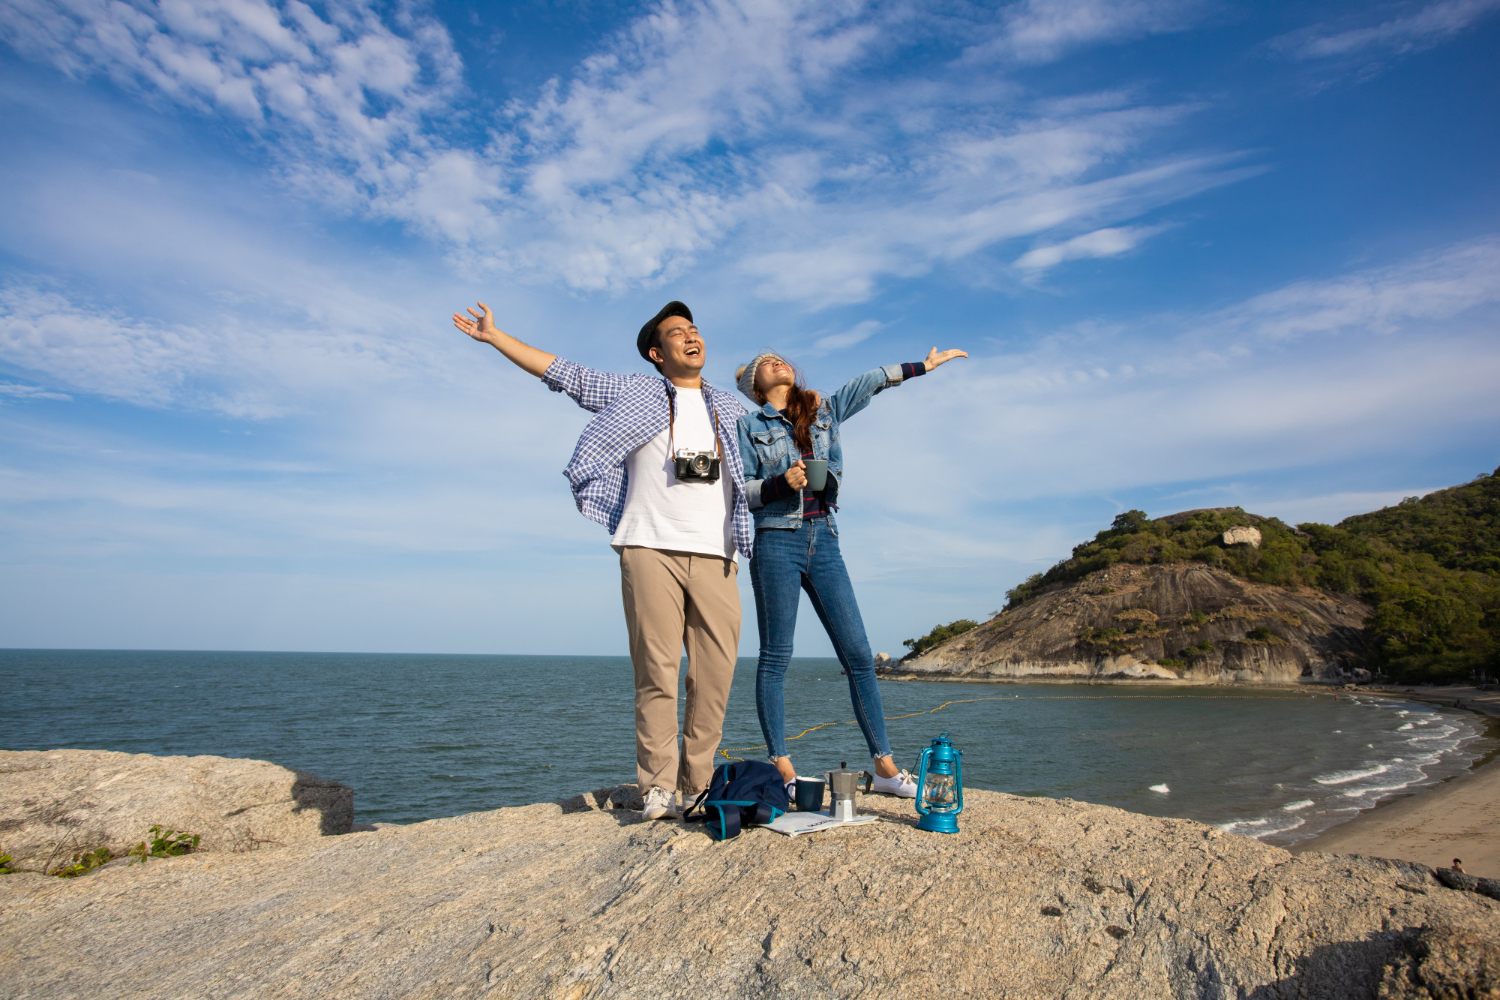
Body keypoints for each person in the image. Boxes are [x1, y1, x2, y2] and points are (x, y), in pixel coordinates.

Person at [453, 300, 751, 821]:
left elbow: (781, 437)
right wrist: (497, 338)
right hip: (648, 545)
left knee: (715, 676)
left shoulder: (732, 408)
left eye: (695, 329)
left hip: (717, 552)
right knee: (656, 670)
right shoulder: (634, 391)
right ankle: (659, 784)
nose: (691, 336)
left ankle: (699, 783)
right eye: (677, 332)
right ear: (657, 354)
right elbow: (565, 373)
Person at [734, 347, 967, 796]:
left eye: (780, 358)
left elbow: (869, 382)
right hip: (776, 540)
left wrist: (922, 367)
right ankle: (782, 768)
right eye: (765, 363)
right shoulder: (749, 425)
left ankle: (884, 768)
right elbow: (743, 491)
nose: (777, 362)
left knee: (860, 657)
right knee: (776, 657)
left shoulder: (823, 409)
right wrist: (782, 483)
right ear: (755, 387)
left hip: (825, 538)